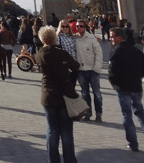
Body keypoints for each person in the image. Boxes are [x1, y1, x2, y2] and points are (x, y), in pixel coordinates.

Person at [108, 27, 144, 152]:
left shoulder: (116, 51)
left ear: (120, 37)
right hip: (136, 87)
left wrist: (115, 84)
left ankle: (133, 144)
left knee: (127, 115)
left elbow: (112, 73)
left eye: (112, 36)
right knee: (140, 113)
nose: (110, 39)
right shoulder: (136, 50)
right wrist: (139, 77)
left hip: (123, 88)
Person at [36, 25, 80, 163]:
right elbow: (76, 66)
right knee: (66, 131)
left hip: (48, 96)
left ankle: (53, 160)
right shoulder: (62, 53)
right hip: (65, 95)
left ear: (42, 39)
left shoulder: (39, 55)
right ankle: (70, 160)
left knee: (52, 130)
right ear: (55, 38)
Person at [74, 19, 102, 122]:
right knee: (85, 93)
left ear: (85, 28)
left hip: (92, 70)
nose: (79, 28)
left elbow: (99, 53)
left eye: (81, 26)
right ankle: (88, 113)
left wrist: (97, 68)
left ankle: (99, 114)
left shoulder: (91, 38)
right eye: (77, 26)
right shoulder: (74, 38)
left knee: (97, 93)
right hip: (81, 70)